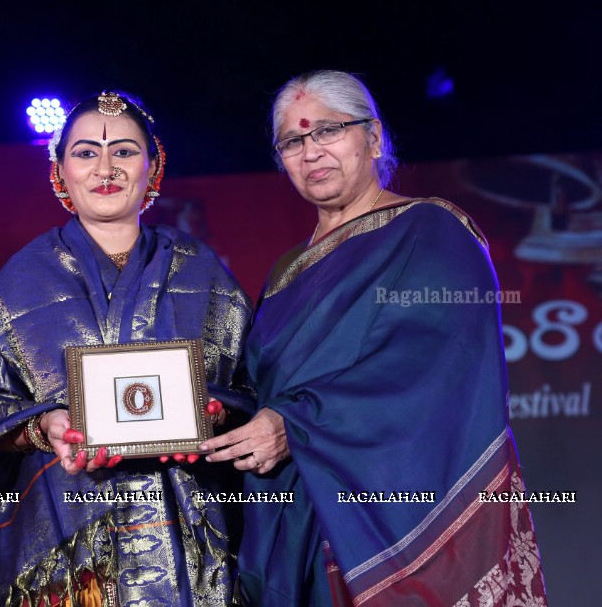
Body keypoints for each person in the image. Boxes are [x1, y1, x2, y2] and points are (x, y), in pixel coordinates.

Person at [201, 71, 548, 606]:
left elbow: (435, 368)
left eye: (329, 131)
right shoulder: (286, 271)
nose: (311, 151)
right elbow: (259, 390)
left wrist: (296, 423)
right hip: (293, 515)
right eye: (293, 141)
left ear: (375, 137)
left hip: (390, 514)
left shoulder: (430, 229)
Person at [0, 91, 253, 606]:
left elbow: (252, 387)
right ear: (59, 171)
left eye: (125, 152)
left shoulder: (202, 271)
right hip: (67, 538)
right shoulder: (19, 283)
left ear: (153, 166)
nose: (106, 168)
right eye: (86, 152)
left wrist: (215, 413)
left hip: (189, 532)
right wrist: (45, 427)